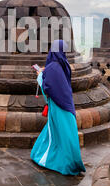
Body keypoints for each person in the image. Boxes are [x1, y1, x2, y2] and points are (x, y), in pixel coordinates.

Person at [30, 39, 86, 176]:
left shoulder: (52, 67)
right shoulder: (63, 64)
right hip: (67, 103)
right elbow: (56, 78)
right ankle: (65, 158)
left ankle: (66, 163)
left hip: (58, 104)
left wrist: (40, 76)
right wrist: (45, 72)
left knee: (60, 132)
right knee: (62, 131)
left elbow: (48, 88)